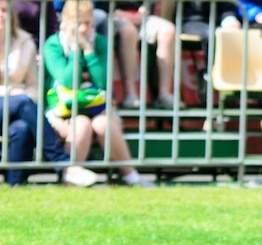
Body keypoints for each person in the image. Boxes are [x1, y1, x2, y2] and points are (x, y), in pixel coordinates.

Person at [43, 0, 152, 186]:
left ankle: (132, 177)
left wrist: (89, 51)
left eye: (87, 23)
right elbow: (69, 81)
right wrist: (77, 50)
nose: (83, 29)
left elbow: (102, 81)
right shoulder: (53, 45)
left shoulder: (100, 42)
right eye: (78, 23)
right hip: (61, 108)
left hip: (97, 106)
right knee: (82, 126)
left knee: (103, 125)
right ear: (66, 22)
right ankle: (69, 181)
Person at [0, 2, 96, 187]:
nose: (1, 15)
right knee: (23, 103)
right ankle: (64, 164)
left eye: (4, 10)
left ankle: (16, 185)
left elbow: (34, 87)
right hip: (16, 102)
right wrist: (15, 95)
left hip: (17, 105)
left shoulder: (24, 42)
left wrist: (20, 95)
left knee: (21, 128)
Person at [93, 1, 183, 109]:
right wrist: (117, 13)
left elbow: (150, 4)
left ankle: (164, 94)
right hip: (111, 15)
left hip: (141, 16)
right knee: (128, 31)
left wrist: (144, 11)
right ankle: (130, 94)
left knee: (168, 30)